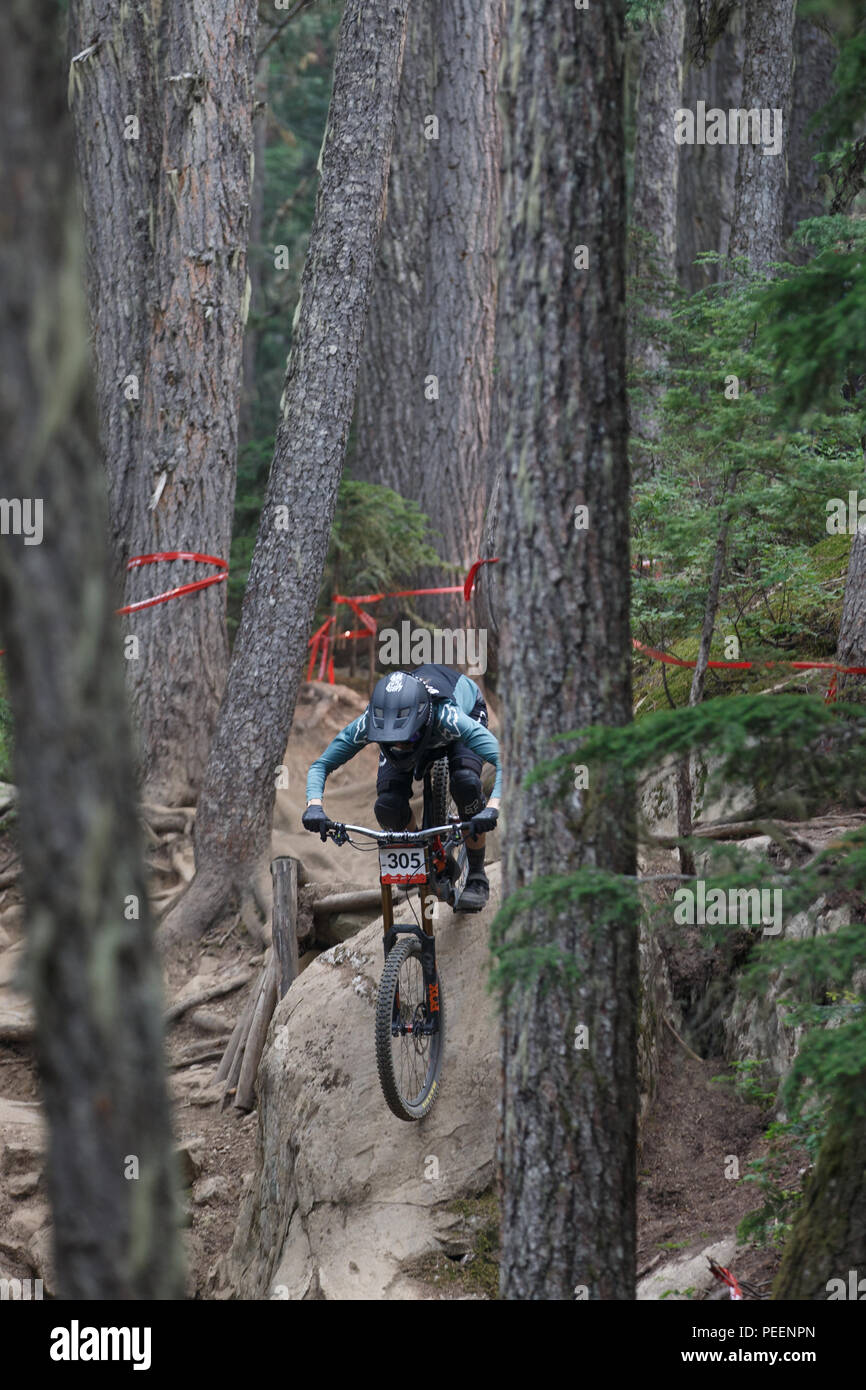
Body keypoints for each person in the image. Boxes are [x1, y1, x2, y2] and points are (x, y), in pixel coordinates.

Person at [302, 662, 501, 911]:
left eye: (407, 740)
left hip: (464, 708)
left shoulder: (450, 718)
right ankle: (423, 856)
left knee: (466, 784)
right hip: (408, 721)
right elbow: (321, 765)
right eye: (392, 742)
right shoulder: (370, 722)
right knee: (388, 806)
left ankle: (477, 877)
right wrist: (314, 806)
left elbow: (502, 759)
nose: (401, 747)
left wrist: (491, 808)